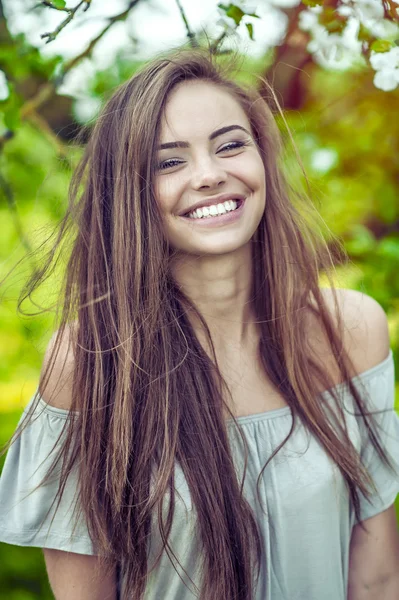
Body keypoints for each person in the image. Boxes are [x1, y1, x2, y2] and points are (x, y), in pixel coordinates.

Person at [0, 46, 399, 600]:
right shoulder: (91, 361)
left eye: (230, 146)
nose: (210, 175)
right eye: (169, 161)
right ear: (130, 193)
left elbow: (377, 578)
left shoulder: (352, 332)